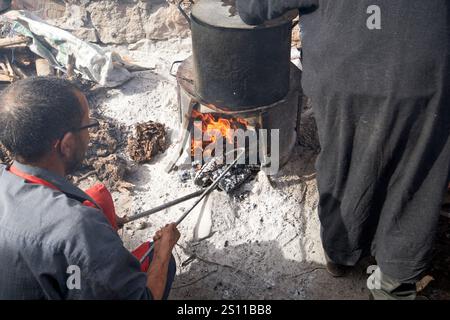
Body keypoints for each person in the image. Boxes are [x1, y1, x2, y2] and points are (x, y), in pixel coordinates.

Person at [237, 0, 450, 299]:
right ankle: (396, 280)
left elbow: (253, 8)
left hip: (344, 72)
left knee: (343, 161)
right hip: (428, 73)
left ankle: (340, 252)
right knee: (416, 173)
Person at [0, 77, 180, 299]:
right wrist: (164, 251)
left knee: (99, 198)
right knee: (162, 260)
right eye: (88, 125)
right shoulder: (78, 228)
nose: (90, 134)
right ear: (66, 145)